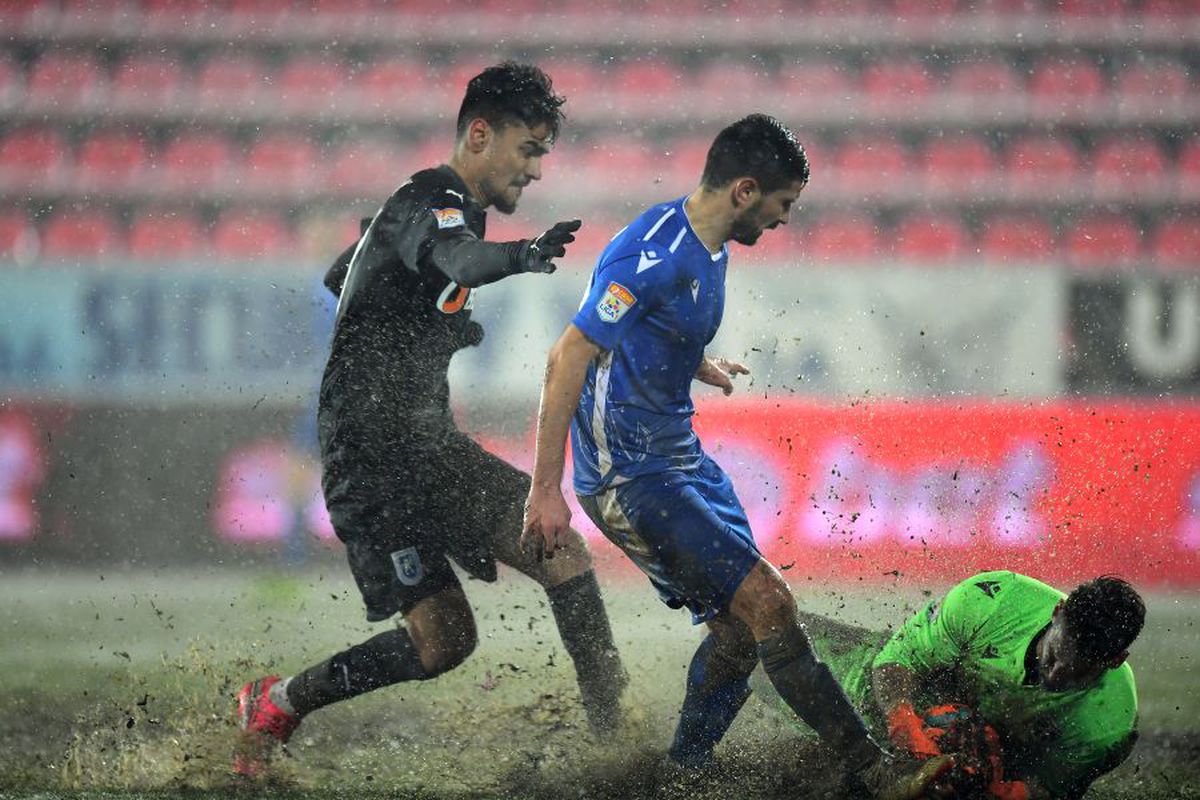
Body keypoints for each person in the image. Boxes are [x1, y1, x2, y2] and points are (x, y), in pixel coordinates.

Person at [521, 113, 952, 800]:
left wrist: (690, 361)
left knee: (738, 633)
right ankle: (874, 770)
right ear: (746, 191)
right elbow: (568, 354)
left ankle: (680, 776)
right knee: (771, 605)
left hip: (680, 457)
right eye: (783, 205)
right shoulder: (653, 255)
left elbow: (649, 328)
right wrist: (546, 493)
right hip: (629, 476)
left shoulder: (708, 246)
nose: (784, 220)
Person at [235, 62, 626, 776]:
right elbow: (459, 257)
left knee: (558, 547)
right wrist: (520, 255)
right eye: (529, 148)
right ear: (480, 134)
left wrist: (427, 321)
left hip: (425, 441)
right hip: (372, 459)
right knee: (442, 641)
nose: (537, 169)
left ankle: (617, 741)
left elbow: (344, 272)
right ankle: (280, 701)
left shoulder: (422, 208)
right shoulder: (433, 199)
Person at [863, 570, 1141, 799]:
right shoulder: (989, 602)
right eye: (1054, 655)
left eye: (1075, 675)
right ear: (1057, 611)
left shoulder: (1108, 724)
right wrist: (904, 724)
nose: (1055, 676)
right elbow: (896, 660)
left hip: (1011, 762)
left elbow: (1044, 791)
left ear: (1116, 661)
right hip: (918, 698)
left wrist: (986, 791)